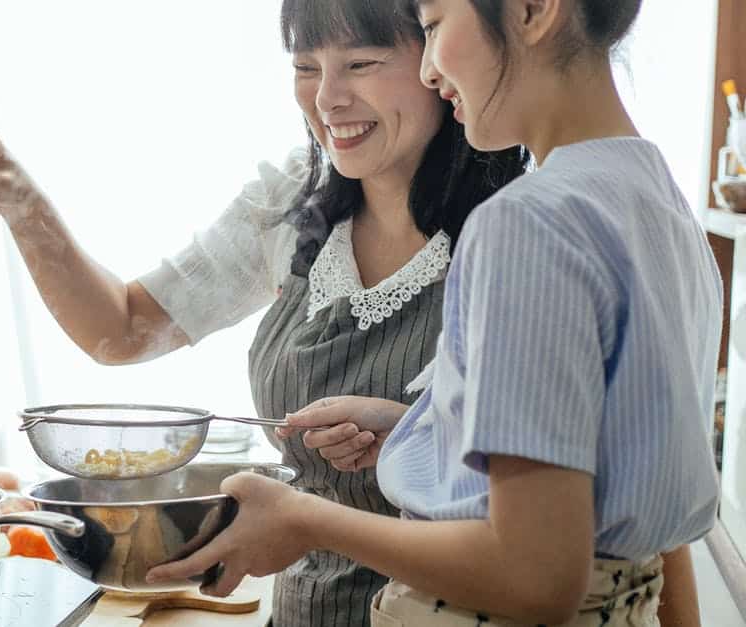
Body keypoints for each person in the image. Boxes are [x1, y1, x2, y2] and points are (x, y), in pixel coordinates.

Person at [0, 1, 525, 623]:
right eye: (305, 67)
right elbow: (124, 330)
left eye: (361, 63)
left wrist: (408, 431)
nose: (327, 98)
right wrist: (20, 202)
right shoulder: (289, 204)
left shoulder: (525, 230)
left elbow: (550, 519)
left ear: (441, 58)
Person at [146, 1, 722, 625]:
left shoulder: (526, 223)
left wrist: (303, 519)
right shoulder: (659, 199)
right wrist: (426, 429)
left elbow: (536, 575)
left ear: (532, 10)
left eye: (436, 24)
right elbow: (622, 485)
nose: (428, 70)